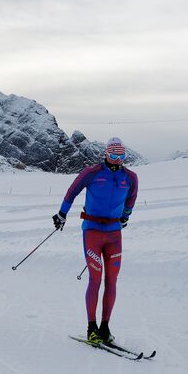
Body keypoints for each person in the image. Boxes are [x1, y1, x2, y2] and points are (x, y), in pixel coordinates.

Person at [52, 137, 138, 344]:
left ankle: (105, 327)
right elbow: (72, 192)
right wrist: (62, 214)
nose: (117, 160)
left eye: (121, 156)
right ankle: (91, 328)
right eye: (113, 155)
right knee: (95, 279)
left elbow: (132, 198)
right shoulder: (92, 173)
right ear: (106, 154)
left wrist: (126, 215)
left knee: (112, 280)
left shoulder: (131, 177)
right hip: (92, 231)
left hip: (114, 234)